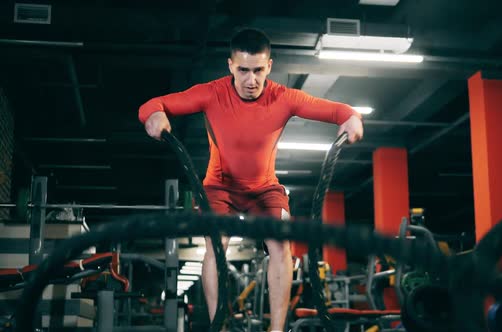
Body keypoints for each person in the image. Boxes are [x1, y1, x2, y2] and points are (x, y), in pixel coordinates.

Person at [139, 28, 364, 331]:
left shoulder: (283, 98)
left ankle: (277, 329)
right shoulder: (211, 93)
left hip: (264, 189)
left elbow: (339, 111)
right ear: (230, 65)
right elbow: (153, 104)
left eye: (258, 70)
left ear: (269, 66)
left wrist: (352, 118)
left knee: (281, 244)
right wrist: (154, 114)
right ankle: (218, 324)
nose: (251, 80)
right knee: (215, 246)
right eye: (243, 70)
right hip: (219, 187)